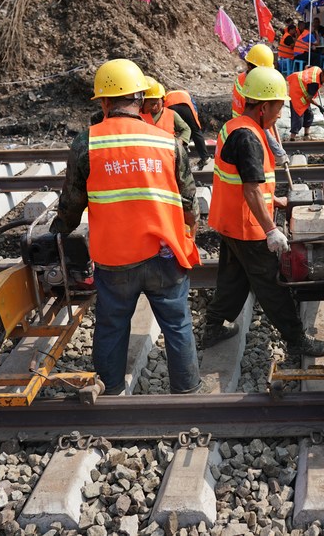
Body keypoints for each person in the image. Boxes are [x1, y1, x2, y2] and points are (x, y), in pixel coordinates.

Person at [50, 59, 201, 395]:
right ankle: (187, 390)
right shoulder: (167, 142)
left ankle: (110, 387)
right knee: (177, 324)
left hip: (115, 258)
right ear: (140, 98)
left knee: (111, 325)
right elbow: (190, 204)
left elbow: (72, 205)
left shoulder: (86, 142)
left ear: (103, 102)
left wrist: (57, 233)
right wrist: (189, 233)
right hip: (164, 254)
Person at [202, 67, 324, 358]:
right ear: (263, 107)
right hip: (248, 227)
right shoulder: (248, 138)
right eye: (278, 108)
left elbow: (244, 182)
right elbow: (249, 190)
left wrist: (275, 199)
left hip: (230, 220)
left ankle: (212, 326)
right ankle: (297, 340)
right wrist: (271, 230)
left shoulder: (234, 126)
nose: (279, 114)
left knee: (234, 279)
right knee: (272, 285)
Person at [164, 89, 211, 169]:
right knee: (195, 131)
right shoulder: (186, 94)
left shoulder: (167, 94)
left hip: (170, 106)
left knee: (170, 131)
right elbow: (194, 110)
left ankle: (170, 157)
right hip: (186, 106)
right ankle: (205, 157)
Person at [141, 77, 191, 145]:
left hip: (167, 152)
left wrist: (179, 142)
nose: (154, 107)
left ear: (162, 100)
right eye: (151, 104)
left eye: (157, 103)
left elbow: (186, 129)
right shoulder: (138, 115)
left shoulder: (171, 114)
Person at [286, 66, 324, 141]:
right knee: (298, 118)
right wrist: (318, 106)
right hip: (297, 94)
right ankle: (292, 138)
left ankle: (306, 135)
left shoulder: (317, 69)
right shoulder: (314, 84)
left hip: (298, 82)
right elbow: (309, 99)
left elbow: (308, 67)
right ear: (323, 74)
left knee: (309, 114)